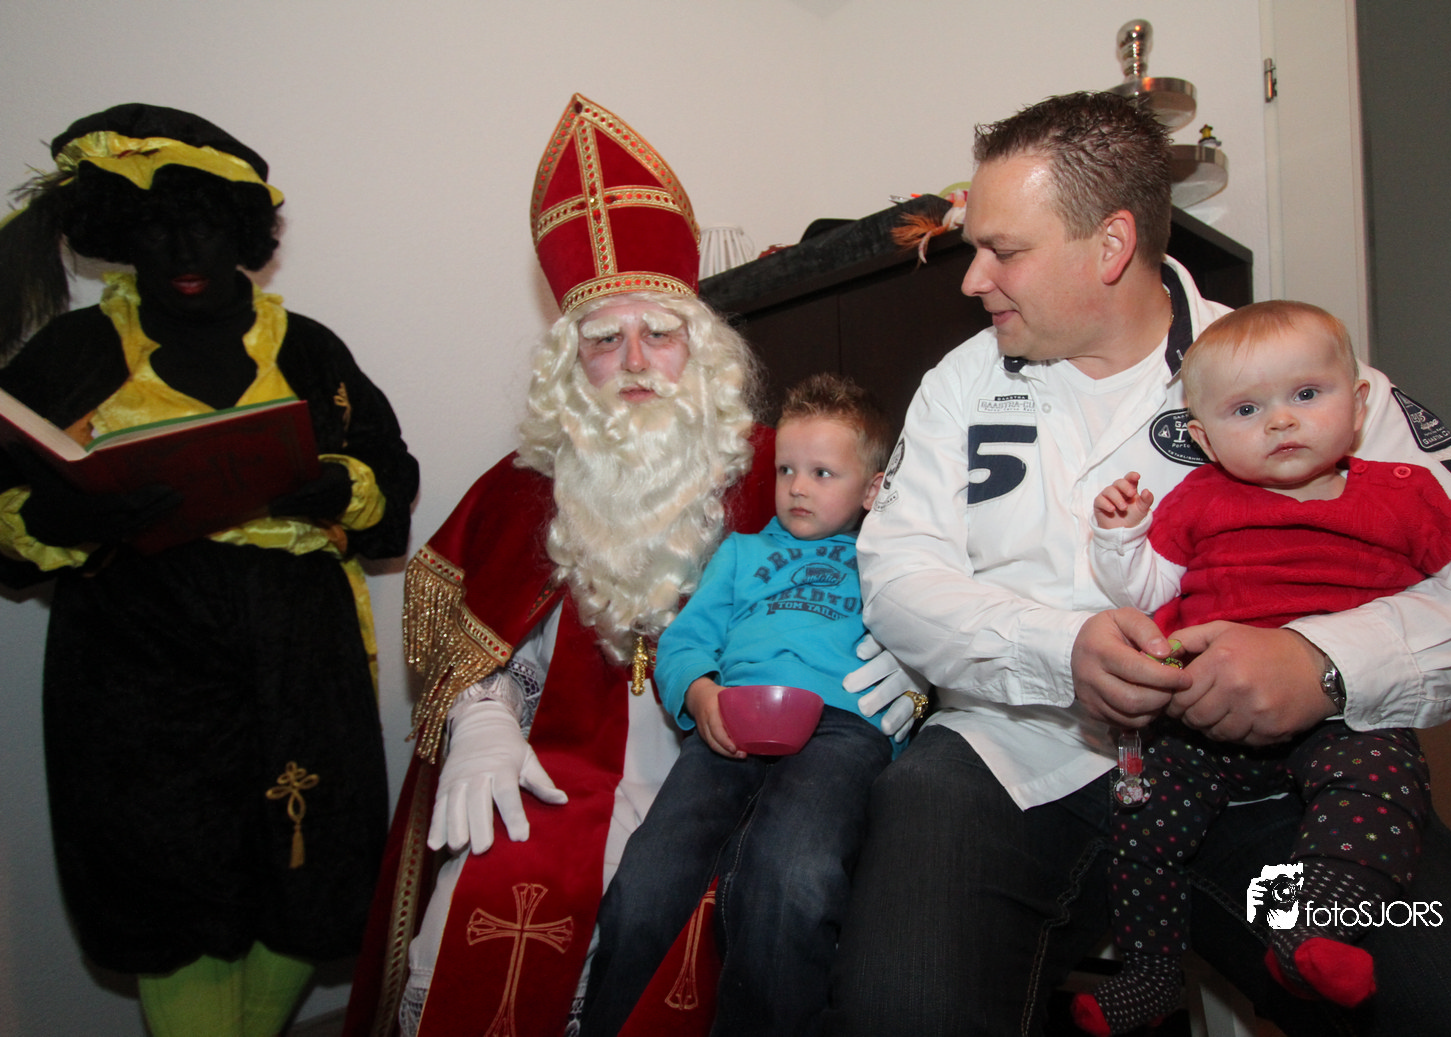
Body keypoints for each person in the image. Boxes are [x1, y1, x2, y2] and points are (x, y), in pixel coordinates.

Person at [825, 90, 1451, 1037]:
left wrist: (1324, 664)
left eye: (1003, 250)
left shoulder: (1292, 376)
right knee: (900, 1008)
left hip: (1266, 783)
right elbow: (897, 575)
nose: (973, 280)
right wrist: (1059, 650)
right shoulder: (959, 383)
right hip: (1004, 758)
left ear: (1110, 245)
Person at [342, 95, 919, 1037]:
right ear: (570, 365)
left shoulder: (779, 468)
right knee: (476, 905)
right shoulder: (523, 487)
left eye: (659, 332)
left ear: (701, 345)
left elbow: (903, 551)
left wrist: (911, 656)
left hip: (739, 774)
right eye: (604, 339)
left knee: (760, 897)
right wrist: (483, 720)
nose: (637, 361)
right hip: (560, 774)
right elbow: (463, 628)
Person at [0, 104, 418, 1037]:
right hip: (136, 676)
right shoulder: (73, 353)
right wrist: (64, 515)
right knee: (169, 887)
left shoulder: (307, 347)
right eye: (155, 229)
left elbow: (390, 482)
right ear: (120, 235)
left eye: (203, 226)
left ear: (243, 234)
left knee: (305, 868)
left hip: (300, 664)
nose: (182, 251)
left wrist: (332, 485)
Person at [1070, 299, 1451, 1034]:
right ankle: (1150, 973)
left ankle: (1317, 926)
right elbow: (1143, 591)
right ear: (1202, 438)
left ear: (1357, 405)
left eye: (1306, 394)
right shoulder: (1197, 498)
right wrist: (1121, 537)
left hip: (1340, 717)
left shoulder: (1401, 492)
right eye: (1246, 409)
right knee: (1140, 831)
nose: (1280, 421)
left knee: (1383, 790)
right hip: (1199, 719)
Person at [582, 372, 905, 1037]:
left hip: (842, 730)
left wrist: (917, 687)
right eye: (787, 469)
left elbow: (930, 642)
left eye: (822, 472)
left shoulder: (889, 561)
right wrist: (700, 692)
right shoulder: (740, 553)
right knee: (646, 878)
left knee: (792, 875)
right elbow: (684, 641)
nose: (797, 487)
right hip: (730, 721)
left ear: (873, 488)